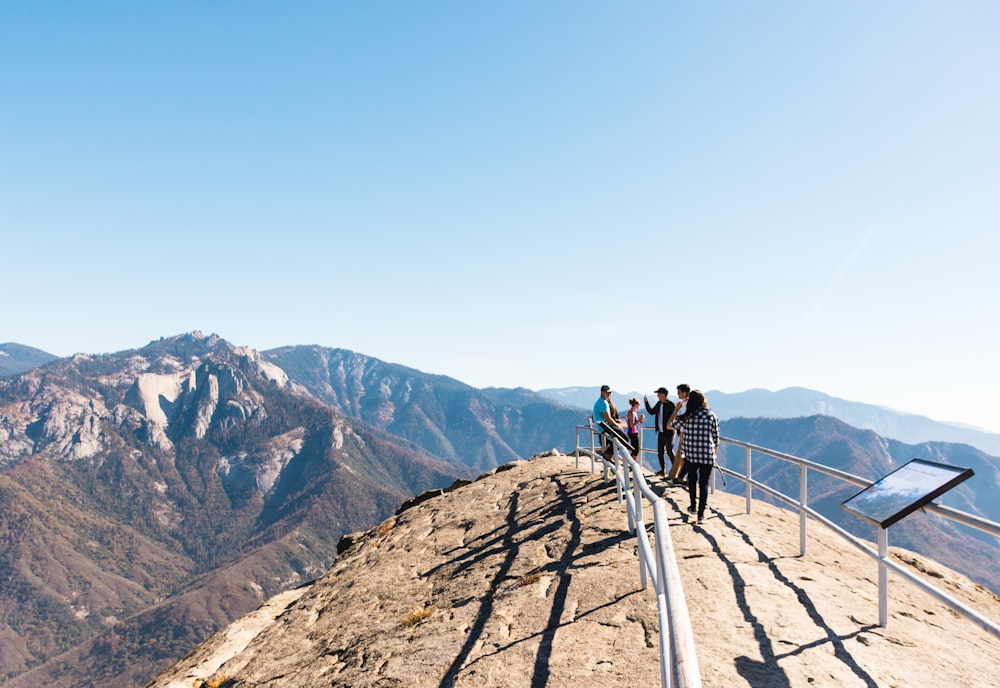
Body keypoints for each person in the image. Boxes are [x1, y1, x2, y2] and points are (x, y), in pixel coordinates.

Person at [671, 389, 720, 524]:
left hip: (691, 455)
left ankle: (692, 506)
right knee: (704, 484)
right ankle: (701, 515)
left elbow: (671, 425)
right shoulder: (712, 415)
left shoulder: (687, 416)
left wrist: (676, 410)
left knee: (692, 481)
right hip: (707, 456)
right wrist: (714, 455)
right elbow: (716, 439)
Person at [644, 387, 675, 476]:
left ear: (663, 394)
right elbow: (651, 412)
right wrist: (646, 403)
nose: (657, 395)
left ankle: (674, 471)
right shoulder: (659, 403)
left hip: (669, 432)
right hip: (661, 432)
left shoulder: (671, 405)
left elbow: (674, 417)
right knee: (660, 452)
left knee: (669, 451)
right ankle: (662, 470)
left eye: (659, 394)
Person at [666, 384, 691, 485]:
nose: (677, 394)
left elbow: (682, 418)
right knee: (681, 456)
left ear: (684, 392)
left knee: (681, 456)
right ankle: (677, 476)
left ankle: (675, 476)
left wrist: (676, 409)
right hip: (683, 432)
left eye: (679, 392)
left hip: (687, 433)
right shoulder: (683, 403)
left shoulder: (686, 404)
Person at [592, 385, 624, 459]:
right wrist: (617, 425)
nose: (609, 394)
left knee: (616, 441)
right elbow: (608, 418)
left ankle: (609, 455)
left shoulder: (600, 402)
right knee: (624, 438)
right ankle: (607, 454)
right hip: (604, 427)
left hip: (602, 427)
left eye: (610, 392)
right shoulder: (603, 403)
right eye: (607, 392)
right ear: (602, 392)